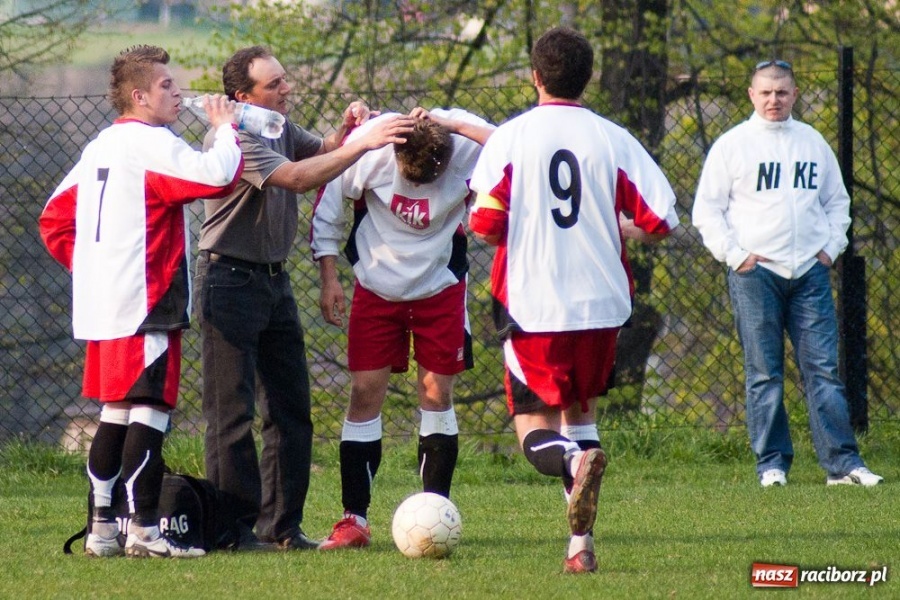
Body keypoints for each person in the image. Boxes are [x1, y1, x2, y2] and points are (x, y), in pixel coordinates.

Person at [468, 26, 679, 574]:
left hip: (534, 303)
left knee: (535, 428)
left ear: (535, 76)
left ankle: (570, 461)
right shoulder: (613, 138)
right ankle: (580, 546)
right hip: (602, 303)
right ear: (588, 79)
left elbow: (485, 224)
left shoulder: (510, 138)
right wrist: (617, 227)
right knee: (581, 414)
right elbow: (661, 219)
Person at [194, 45, 415, 552]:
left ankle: (281, 528)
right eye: (274, 84)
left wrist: (349, 129)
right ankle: (232, 530)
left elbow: (320, 153)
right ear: (243, 96)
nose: (286, 88)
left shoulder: (277, 126)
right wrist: (364, 145)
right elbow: (297, 178)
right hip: (229, 279)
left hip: (273, 281)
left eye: (284, 79)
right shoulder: (232, 137)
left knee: (292, 410)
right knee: (231, 414)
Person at [39, 45, 243, 558]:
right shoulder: (151, 142)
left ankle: (102, 529)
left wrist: (96, 269)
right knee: (150, 409)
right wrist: (224, 129)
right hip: (147, 299)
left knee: (117, 410)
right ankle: (145, 531)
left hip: (107, 302)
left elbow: (55, 218)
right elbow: (216, 176)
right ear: (139, 96)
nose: (178, 92)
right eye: (166, 85)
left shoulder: (100, 146)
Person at [692, 59, 883, 489]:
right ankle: (772, 465)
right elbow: (706, 211)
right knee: (764, 373)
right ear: (751, 95)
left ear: (795, 94)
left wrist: (830, 248)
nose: (773, 100)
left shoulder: (813, 143)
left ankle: (843, 465)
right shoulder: (732, 146)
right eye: (765, 92)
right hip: (756, 275)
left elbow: (837, 202)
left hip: (809, 274)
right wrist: (735, 255)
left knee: (823, 371)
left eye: (781, 92)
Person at [310, 107, 495, 550]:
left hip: (440, 286)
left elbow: (516, 145)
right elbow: (329, 206)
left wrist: (458, 126)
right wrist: (329, 276)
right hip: (377, 286)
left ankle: (437, 512)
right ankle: (353, 519)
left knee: (436, 394)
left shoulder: (466, 143)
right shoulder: (373, 145)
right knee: (364, 393)